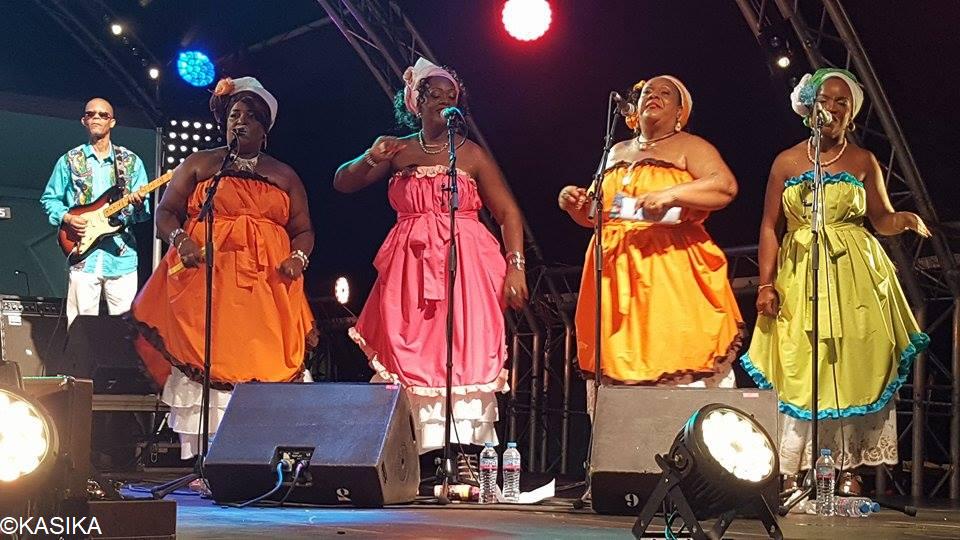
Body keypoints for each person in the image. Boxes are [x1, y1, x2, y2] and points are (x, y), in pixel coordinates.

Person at [740, 68, 930, 494]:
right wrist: (766, 284)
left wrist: (902, 219)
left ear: (852, 113)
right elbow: (770, 226)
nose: (832, 108)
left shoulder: (863, 161)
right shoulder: (787, 162)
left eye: (842, 102)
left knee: (849, 364)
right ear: (810, 108)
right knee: (800, 361)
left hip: (853, 275)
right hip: (799, 273)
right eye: (825, 99)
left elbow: (880, 219)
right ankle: (792, 468)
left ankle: (846, 466)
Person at [334, 57, 528, 456]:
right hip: (411, 266)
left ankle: (465, 453)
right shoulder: (397, 149)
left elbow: (508, 213)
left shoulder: (471, 154)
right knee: (411, 349)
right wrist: (371, 156)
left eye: (450, 95)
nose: (442, 100)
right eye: (433, 94)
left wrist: (516, 266)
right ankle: (413, 456)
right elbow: (343, 182)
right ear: (416, 102)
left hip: (467, 264)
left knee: (465, 346)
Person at [130, 77, 316, 460]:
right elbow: (166, 211)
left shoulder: (284, 174)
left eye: (250, 117)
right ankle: (205, 459)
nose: (240, 122)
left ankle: (256, 457)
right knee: (208, 356)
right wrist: (182, 241)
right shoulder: (201, 164)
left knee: (263, 362)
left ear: (265, 129)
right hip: (208, 280)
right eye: (234, 115)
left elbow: (303, 230)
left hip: (265, 285)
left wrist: (297, 258)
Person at [558, 76, 743, 412]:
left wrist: (671, 194)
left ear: (680, 112)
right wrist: (575, 205)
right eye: (647, 92)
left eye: (665, 93)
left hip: (668, 267)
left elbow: (724, 186)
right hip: (614, 274)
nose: (654, 96)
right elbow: (597, 215)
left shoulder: (690, 146)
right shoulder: (616, 151)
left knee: (673, 350)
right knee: (619, 365)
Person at [40, 98, 149, 326]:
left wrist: (139, 204)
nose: (96, 118)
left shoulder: (131, 162)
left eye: (103, 115)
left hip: (121, 257)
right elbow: (49, 199)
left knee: (125, 329)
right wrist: (68, 218)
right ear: (84, 120)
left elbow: (142, 214)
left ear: (112, 122)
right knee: (80, 328)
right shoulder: (70, 160)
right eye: (91, 114)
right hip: (83, 255)